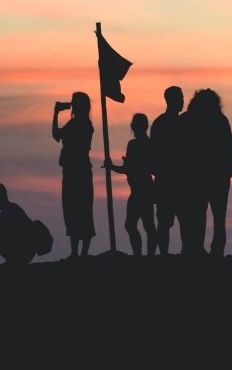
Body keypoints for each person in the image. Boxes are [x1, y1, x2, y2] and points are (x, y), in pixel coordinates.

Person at [180, 88, 232, 258]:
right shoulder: (220, 120)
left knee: (198, 214)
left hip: (196, 176)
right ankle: (216, 250)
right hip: (217, 175)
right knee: (219, 216)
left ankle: (198, 248)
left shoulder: (186, 120)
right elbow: (229, 145)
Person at [104, 113, 157, 257]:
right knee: (140, 225)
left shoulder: (136, 145)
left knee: (141, 225)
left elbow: (130, 168)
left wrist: (113, 167)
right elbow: (131, 168)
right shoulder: (145, 144)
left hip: (142, 189)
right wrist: (115, 166)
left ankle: (144, 256)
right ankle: (142, 255)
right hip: (141, 188)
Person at [52, 91, 95, 258]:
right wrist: (56, 114)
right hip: (72, 172)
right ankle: (76, 252)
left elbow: (57, 135)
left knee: (81, 210)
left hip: (79, 172)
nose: (72, 105)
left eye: (74, 102)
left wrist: (56, 114)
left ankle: (81, 252)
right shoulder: (76, 123)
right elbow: (57, 135)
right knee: (72, 210)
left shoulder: (82, 124)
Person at [149, 86, 185, 255]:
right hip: (170, 179)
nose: (182, 101)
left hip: (172, 179)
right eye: (180, 98)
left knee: (175, 221)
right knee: (166, 222)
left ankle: (170, 253)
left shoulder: (160, 123)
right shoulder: (174, 124)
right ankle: (165, 253)